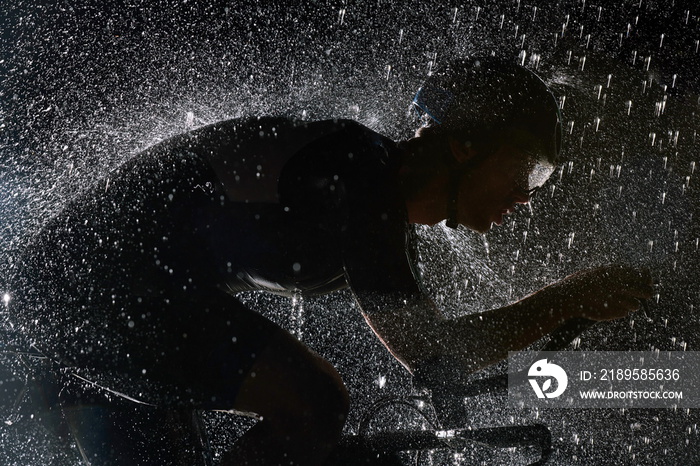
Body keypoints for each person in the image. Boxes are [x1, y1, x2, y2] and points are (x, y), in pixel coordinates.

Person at [8, 57, 653, 465]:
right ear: (463, 147)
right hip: (86, 291)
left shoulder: (366, 187)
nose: (525, 196)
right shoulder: (361, 176)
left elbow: (431, 354)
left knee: (314, 410)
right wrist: (569, 297)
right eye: (528, 170)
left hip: (76, 301)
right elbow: (435, 350)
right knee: (316, 403)